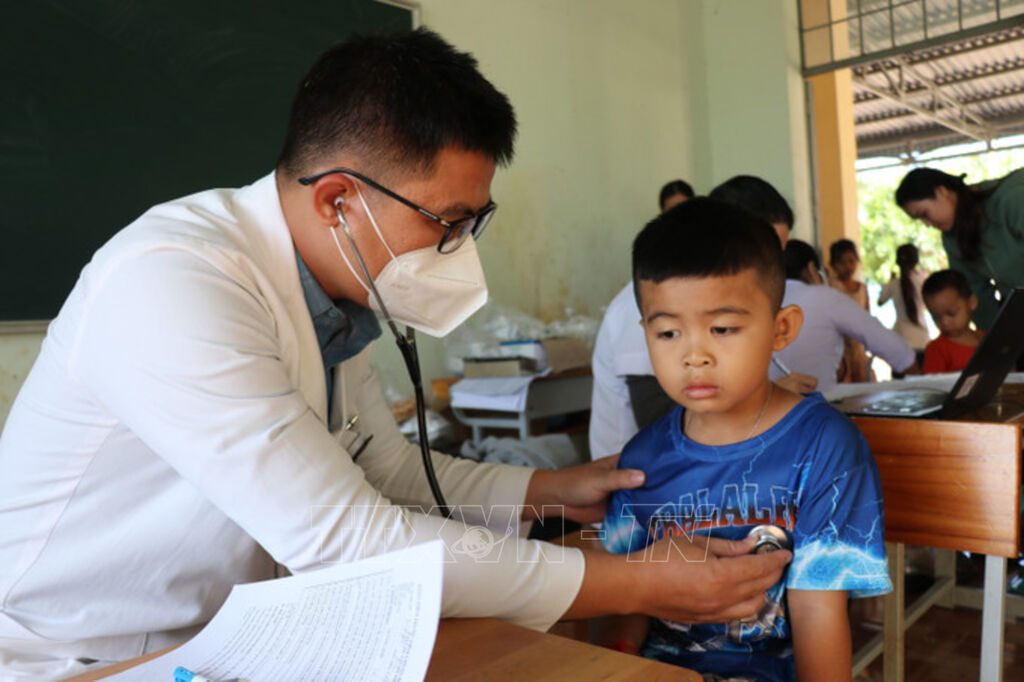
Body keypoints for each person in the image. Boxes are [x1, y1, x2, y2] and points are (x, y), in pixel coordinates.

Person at [0, 30, 789, 679]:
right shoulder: (173, 282)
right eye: (447, 223)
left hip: (215, 640)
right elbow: (349, 540)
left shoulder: (331, 293)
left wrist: (551, 490)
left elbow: (380, 465)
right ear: (338, 201)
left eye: (474, 223)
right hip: (76, 656)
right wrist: (635, 581)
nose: (461, 249)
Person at [601, 198, 892, 681]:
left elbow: (819, 612)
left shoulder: (824, 448)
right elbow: (627, 597)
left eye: (722, 328)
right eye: (668, 333)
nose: (694, 356)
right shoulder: (641, 458)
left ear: (782, 329)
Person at [589, 175, 815, 460]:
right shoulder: (647, 304)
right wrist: (769, 400)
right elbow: (655, 416)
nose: (770, 265)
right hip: (641, 470)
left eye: (777, 254)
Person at [777, 239, 918, 393]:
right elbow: (890, 346)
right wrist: (920, 380)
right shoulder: (825, 296)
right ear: (812, 269)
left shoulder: (765, 301)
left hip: (768, 404)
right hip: (819, 400)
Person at [895, 166, 1024, 331]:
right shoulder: (953, 239)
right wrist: (1002, 336)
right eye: (919, 219)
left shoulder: (1012, 199)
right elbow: (976, 295)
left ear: (941, 191)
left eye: (925, 214)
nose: (926, 224)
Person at [920, 269, 984, 374]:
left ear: (972, 302)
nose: (945, 322)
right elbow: (932, 383)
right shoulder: (936, 350)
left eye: (951, 313)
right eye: (936, 317)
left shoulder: (988, 339)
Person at [877, 243, 930, 362]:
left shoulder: (893, 283)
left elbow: (880, 301)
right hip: (922, 339)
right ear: (917, 261)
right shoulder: (924, 282)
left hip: (901, 339)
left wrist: (889, 281)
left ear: (897, 262)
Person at [829, 239, 873, 382]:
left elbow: (867, 316)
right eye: (842, 263)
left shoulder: (862, 288)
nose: (848, 266)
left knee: (863, 383)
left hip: (858, 348)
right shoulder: (832, 286)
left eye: (851, 261)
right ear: (833, 265)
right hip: (839, 349)